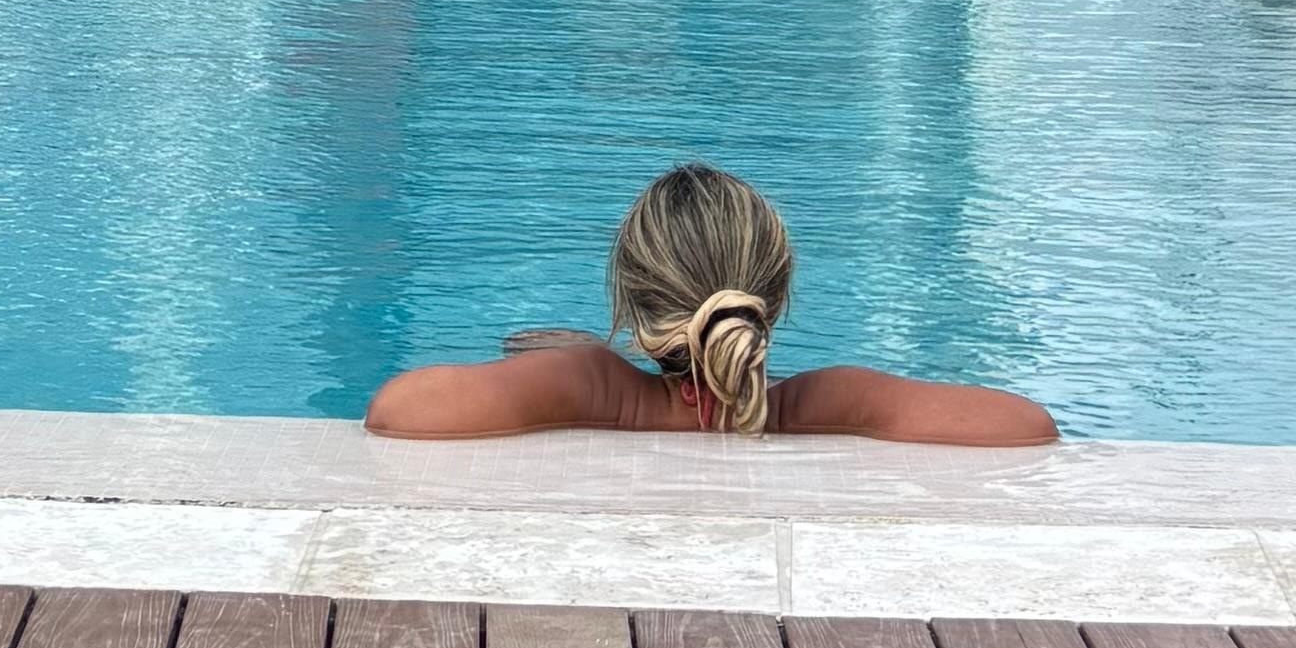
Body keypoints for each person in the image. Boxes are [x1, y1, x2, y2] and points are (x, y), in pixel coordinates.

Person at [365, 166, 1057, 445]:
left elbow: (398, 410)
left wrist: (564, 378)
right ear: (771, 303)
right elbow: (1026, 424)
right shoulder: (818, 402)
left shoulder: (592, 383)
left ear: (635, 308)